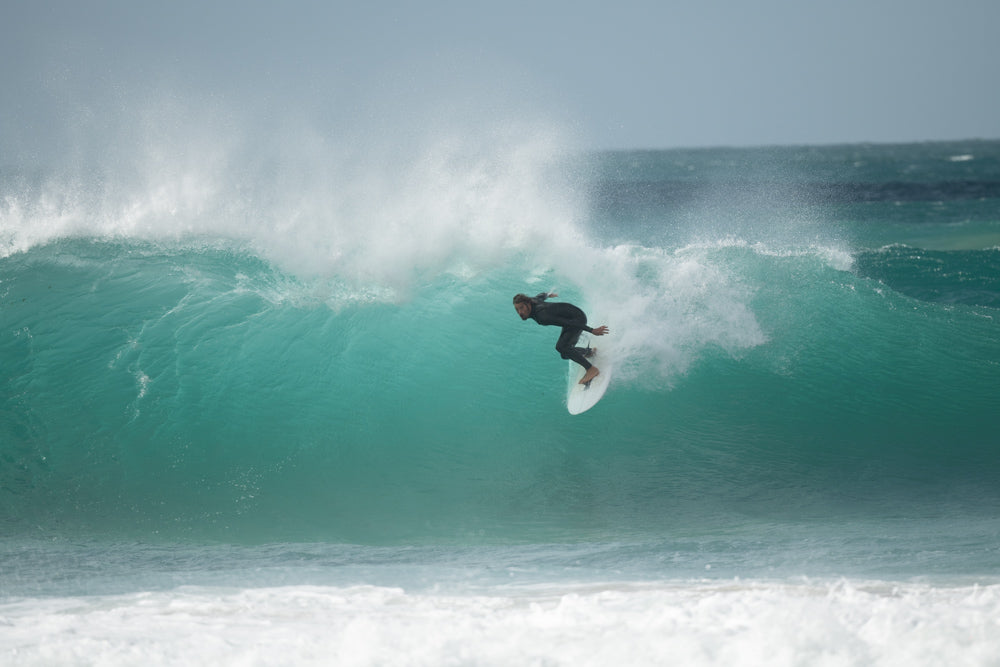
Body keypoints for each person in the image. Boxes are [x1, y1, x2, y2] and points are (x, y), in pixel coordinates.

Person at [513, 292, 609, 385]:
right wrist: (548, 294)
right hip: (572, 316)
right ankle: (589, 352)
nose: (520, 312)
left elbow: (568, 323)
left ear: (528, 304)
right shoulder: (533, 301)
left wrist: (592, 330)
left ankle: (591, 369)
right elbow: (540, 296)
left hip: (576, 319)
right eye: (517, 309)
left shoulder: (542, 315)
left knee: (561, 347)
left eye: (522, 308)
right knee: (564, 354)